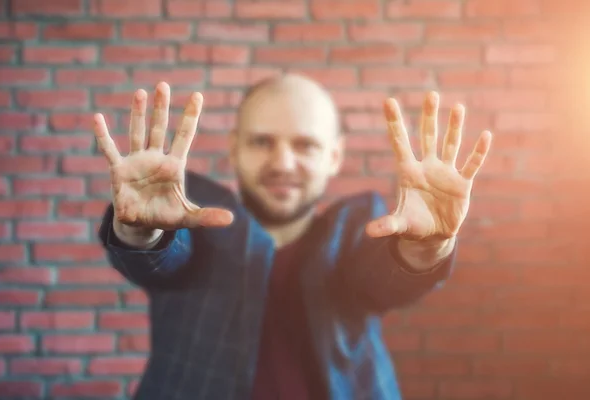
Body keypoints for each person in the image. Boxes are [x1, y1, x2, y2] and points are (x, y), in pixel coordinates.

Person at [94, 74, 491, 400]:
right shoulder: (196, 226)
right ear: (234, 149)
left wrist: (426, 246)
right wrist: (140, 227)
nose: (282, 163)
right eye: (262, 142)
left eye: (304, 145)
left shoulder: (359, 229)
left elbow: (387, 277)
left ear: (334, 157)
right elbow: (157, 256)